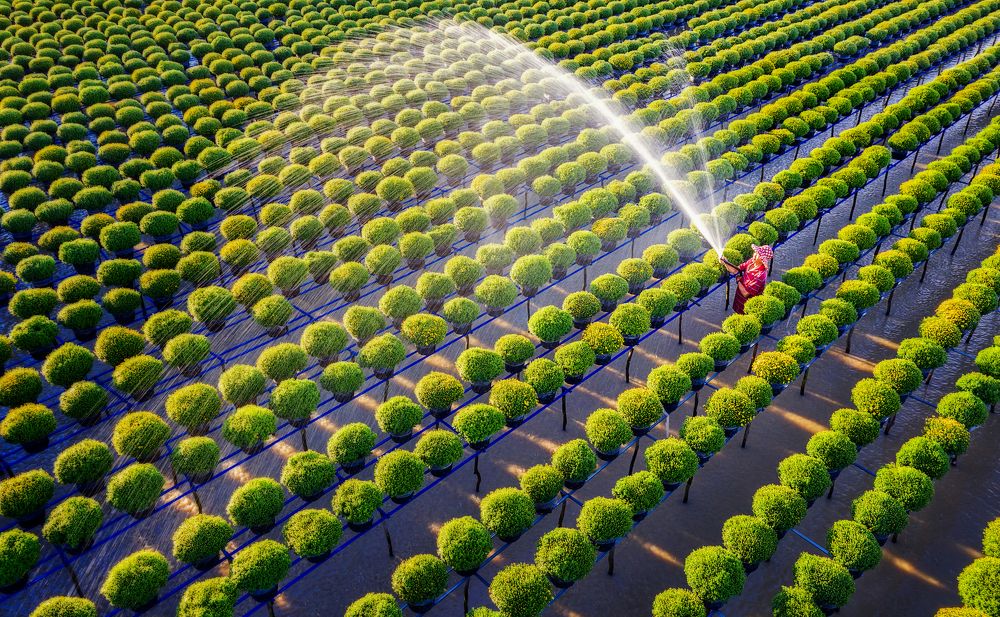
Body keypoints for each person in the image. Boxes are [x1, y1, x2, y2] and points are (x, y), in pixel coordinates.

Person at [720, 244, 773, 314]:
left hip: (747, 305)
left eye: (758, 254)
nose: (754, 254)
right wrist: (725, 262)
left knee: (744, 318)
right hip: (739, 299)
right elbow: (736, 270)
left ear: (762, 260)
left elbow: (745, 293)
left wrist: (739, 280)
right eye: (756, 252)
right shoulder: (752, 262)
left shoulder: (760, 276)